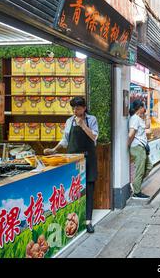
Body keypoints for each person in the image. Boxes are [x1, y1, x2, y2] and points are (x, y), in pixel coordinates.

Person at [44, 97, 98, 234]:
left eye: (78, 108)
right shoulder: (69, 121)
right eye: (73, 108)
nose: (75, 111)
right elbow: (65, 140)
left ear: (84, 108)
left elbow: (94, 137)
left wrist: (83, 126)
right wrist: (54, 150)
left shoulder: (91, 120)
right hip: (73, 159)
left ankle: (88, 221)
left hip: (88, 158)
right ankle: (74, 220)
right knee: (73, 189)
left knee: (89, 189)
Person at [128, 100, 153, 199]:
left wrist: (146, 116)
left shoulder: (138, 118)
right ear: (140, 107)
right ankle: (137, 192)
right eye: (144, 107)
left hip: (142, 147)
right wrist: (127, 145)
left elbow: (147, 126)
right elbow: (131, 133)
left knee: (149, 166)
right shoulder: (134, 119)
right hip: (137, 147)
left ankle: (136, 186)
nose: (145, 109)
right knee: (140, 170)